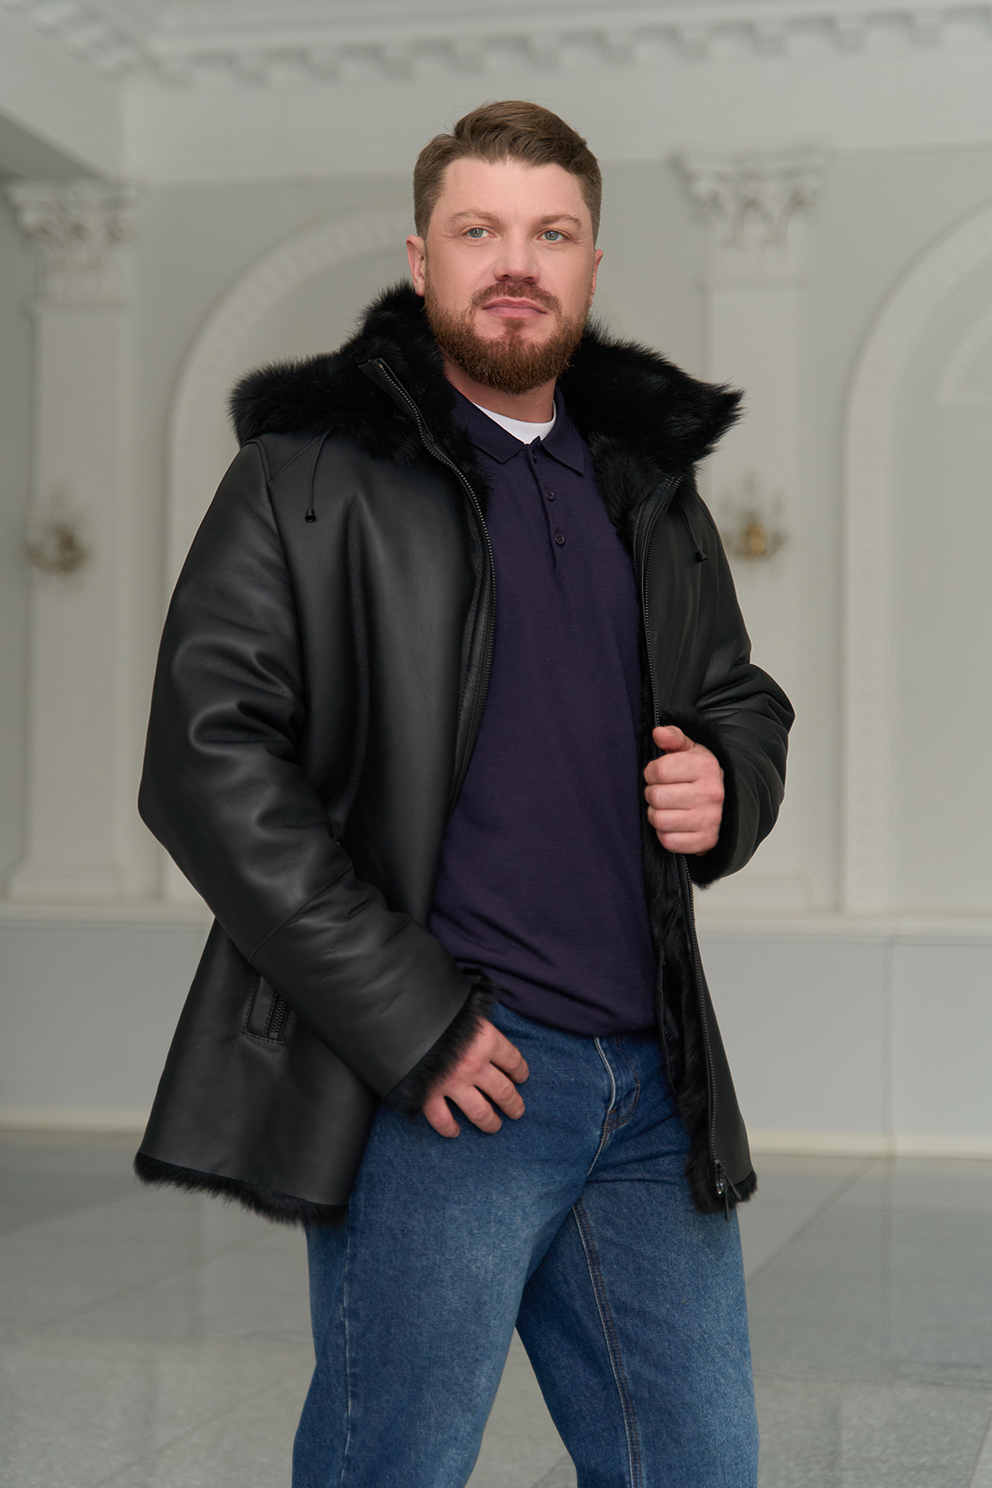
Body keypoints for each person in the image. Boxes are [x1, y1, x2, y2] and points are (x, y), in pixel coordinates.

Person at [135, 101, 793, 1488]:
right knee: (395, 1468)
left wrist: (728, 781)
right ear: (421, 256)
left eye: (552, 234)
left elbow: (735, 691)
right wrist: (410, 1019)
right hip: (445, 1084)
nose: (516, 264)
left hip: (653, 1086)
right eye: (480, 229)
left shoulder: (649, 487)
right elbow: (207, 760)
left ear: (593, 264)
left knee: (701, 1468)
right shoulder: (307, 476)